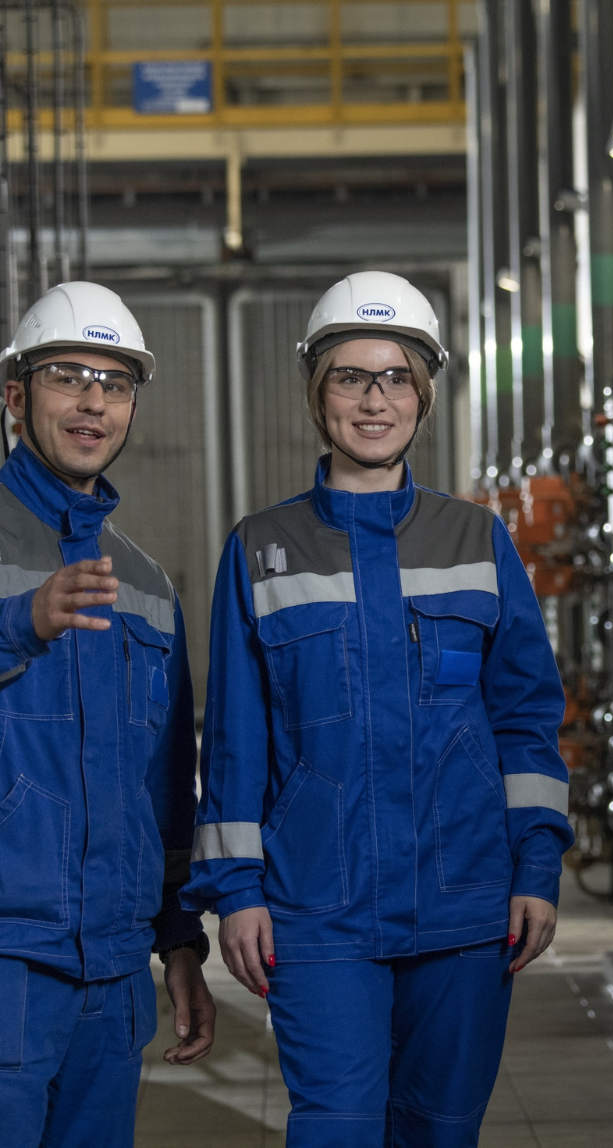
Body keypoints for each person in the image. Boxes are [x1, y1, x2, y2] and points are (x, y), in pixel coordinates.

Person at [181, 271, 573, 1147]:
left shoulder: (478, 540)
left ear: (423, 397)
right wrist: (237, 892)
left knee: (440, 1128)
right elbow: (238, 742)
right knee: (339, 1126)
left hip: (467, 901)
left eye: (394, 377)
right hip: (318, 906)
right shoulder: (261, 549)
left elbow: (524, 719)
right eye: (350, 377)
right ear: (317, 394)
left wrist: (536, 868)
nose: (373, 399)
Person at [0, 282, 215, 1148]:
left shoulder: (149, 588)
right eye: (67, 375)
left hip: (114, 972)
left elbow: (164, 790)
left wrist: (179, 943)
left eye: (115, 381)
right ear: (15, 396)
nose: (93, 399)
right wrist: (20, 623)